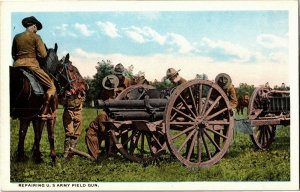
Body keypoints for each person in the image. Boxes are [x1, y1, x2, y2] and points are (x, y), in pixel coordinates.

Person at [11, 16, 56, 120]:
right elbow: (44, 55)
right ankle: (44, 112)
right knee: (51, 87)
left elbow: (13, 54)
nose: (37, 30)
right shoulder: (36, 37)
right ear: (34, 26)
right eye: (37, 28)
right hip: (32, 65)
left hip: (17, 65)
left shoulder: (17, 37)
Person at [85, 63, 131, 160]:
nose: (119, 76)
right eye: (117, 74)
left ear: (123, 73)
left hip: (123, 109)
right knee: (108, 129)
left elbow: (131, 94)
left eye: (120, 74)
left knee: (124, 131)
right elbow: (103, 96)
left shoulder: (127, 82)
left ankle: (125, 151)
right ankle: (109, 151)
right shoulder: (109, 81)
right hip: (110, 110)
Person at [60, 56, 89, 158]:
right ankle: (66, 153)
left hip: (78, 111)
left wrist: (79, 90)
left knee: (76, 133)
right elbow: (61, 101)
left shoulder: (78, 80)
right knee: (69, 133)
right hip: (69, 111)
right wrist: (66, 95)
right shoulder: (64, 86)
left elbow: (86, 87)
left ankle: (72, 153)